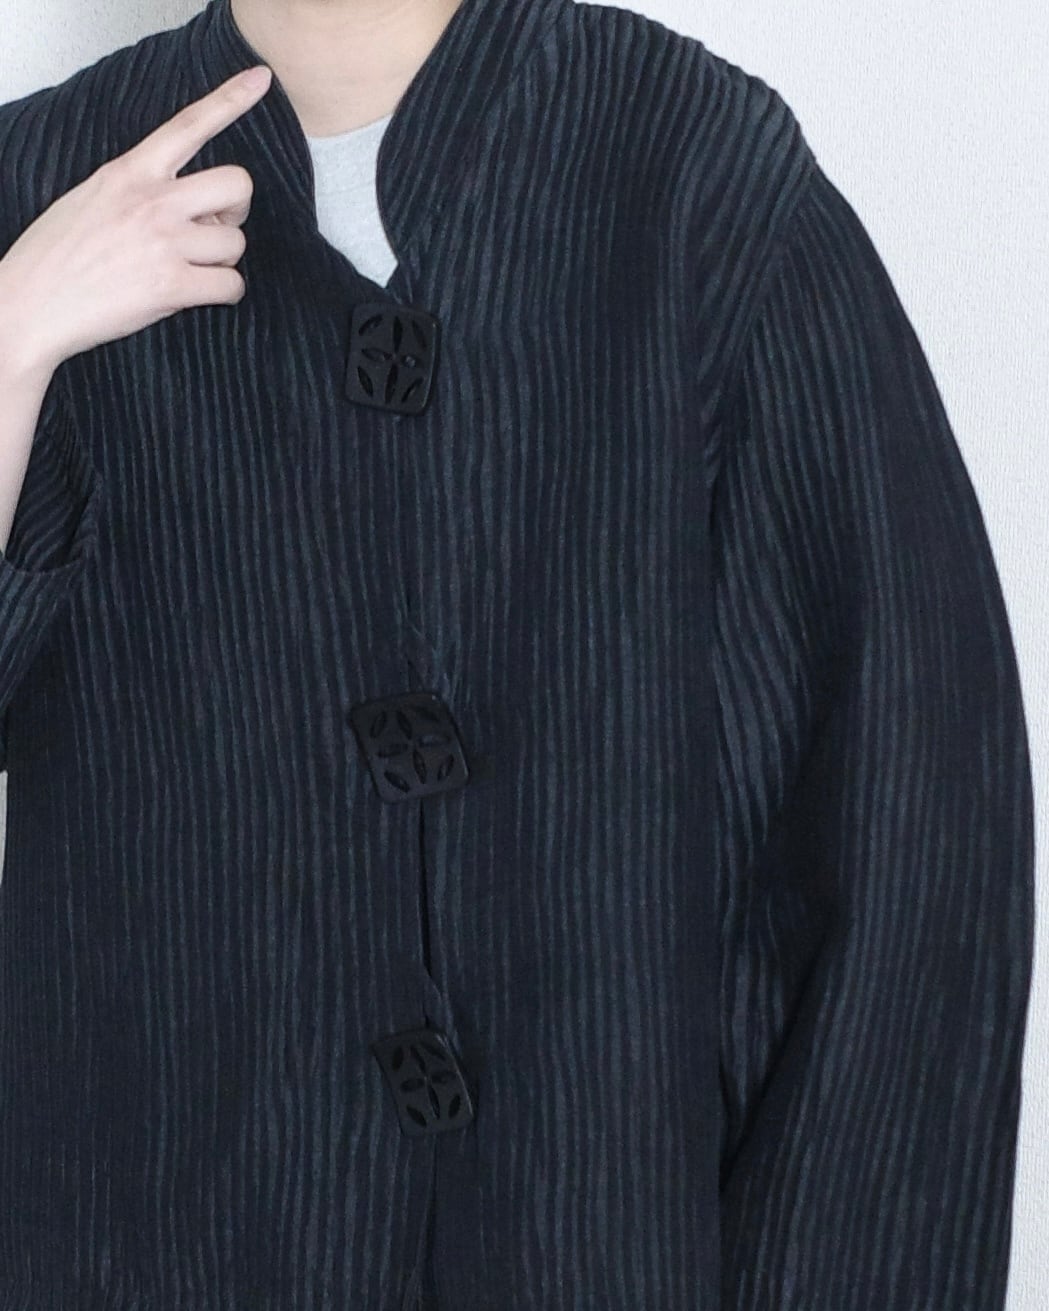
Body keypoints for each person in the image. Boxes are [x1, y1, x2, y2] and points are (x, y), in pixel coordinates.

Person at [0, 0, 1034, 1307]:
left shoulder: (686, 167)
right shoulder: (43, 187)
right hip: (148, 1240)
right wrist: (13, 332)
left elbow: (913, 807)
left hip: (592, 1227)